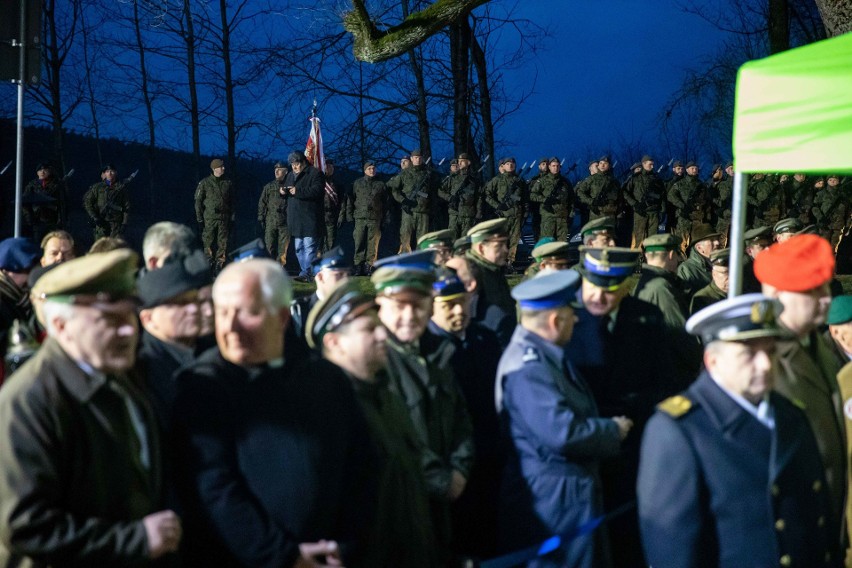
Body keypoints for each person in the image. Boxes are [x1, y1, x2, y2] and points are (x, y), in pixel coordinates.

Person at [172, 258, 376, 567]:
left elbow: (360, 465)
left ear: (281, 317)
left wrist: (345, 546)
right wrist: (286, 557)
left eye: (247, 313)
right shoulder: (202, 388)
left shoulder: (325, 378)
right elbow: (214, 489)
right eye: (222, 313)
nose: (230, 327)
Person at [0, 249, 182, 565]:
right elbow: (25, 526)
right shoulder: (28, 401)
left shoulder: (121, 375)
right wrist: (136, 540)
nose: (128, 330)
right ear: (60, 324)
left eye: (129, 315)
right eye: (109, 319)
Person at [639, 294, 841, 568]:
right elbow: (673, 550)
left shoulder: (790, 415)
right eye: (749, 353)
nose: (765, 364)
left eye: (770, 351)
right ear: (713, 361)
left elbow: (818, 523)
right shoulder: (680, 432)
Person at [497, 270, 633, 568]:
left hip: (563, 492)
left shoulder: (542, 355)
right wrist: (613, 430)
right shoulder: (528, 368)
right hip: (555, 497)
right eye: (572, 315)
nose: (576, 320)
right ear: (555, 321)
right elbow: (561, 432)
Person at [305, 280, 436, 567]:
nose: (382, 334)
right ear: (334, 343)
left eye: (379, 325)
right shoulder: (326, 412)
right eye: (368, 329)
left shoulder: (387, 397)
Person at [371, 251, 474, 561]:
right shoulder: (375, 363)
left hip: (441, 510)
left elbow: (461, 419)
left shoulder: (436, 353)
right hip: (399, 512)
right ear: (380, 305)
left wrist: (460, 467)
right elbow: (392, 440)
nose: (410, 315)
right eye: (400, 306)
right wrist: (444, 481)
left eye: (418, 305)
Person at [754, 234, 847, 534]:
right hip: (790, 525)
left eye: (825, 287)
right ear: (778, 295)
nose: (826, 298)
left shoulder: (816, 343)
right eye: (812, 290)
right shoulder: (760, 356)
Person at [427, 270, 504, 558]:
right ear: (431, 307)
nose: (459, 310)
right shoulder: (428, 350)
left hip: (492, 458)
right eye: (448, 305)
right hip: (454, 470)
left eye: (462, 301)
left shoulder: (484, 337)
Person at [136, 250, 212, 436]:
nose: (193, 309)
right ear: (148, 319)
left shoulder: (210, 350)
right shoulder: (142, 372)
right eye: (179, 303)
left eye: (195, 300)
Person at [465, 219, 516, 347]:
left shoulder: (493, 270)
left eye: (506, 244)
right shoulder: (470, 275)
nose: (506, 250)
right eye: (499, 246)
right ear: (481, 248)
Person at [289, 246, 350, 338]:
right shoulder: (299, 311)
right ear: (320, 277)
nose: (345, 280)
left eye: (348, 275)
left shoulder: (351, 308)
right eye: (339, 274)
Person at [632, 233, 688, 330]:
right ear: (671, 255)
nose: (678, 259)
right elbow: (680, 332)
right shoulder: (662, 287)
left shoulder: (640, 282)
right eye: (677, 254)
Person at [284, 150, 326, 282]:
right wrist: (282, 191)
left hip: (310, 217)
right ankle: (309, 272)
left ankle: (305, 273)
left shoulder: (315, 173)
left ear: (303, 162)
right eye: (292, 164)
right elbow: (287, 189)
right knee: (298, 248)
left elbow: (317, 191)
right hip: (295, 218)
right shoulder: (290, 175)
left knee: (309, 247)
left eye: (296, 164)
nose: (294, 167)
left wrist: (298, 191)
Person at [388, 149, 439, 253]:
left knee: (423, 239)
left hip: (423, 211)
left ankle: (421, 261)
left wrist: (432, 208)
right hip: (408, 211)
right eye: (416, 158)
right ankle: (405, 261)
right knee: (405, 238)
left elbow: (434, 192)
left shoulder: (428, 174)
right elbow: (393, 188)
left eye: (420, 158)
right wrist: (403, 200)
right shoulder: (404, 174)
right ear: (411, 159)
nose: (418, 160)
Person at [483, 157, 527, 269]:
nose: (510, 166)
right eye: (507, 164)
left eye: (512, 163)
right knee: (502, 239)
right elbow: (487, 194)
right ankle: (500, 261)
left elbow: (525, 198)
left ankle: (510, 263)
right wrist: (497, 205)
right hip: (502, 216)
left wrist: (525, 213)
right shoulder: (497, 180)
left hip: (517, 215)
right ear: (503, 166)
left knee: (514, 240)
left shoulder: (520, 181)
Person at [194, 158, 234, 271]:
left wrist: (232, 218)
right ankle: (209, 263)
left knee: (223, 243)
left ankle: (219, 264)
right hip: (209, 219)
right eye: (221, 167)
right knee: (208, 241)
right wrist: (199, 219)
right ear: (214, 169)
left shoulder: (228, 183)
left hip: (223, 218)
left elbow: (232, 202)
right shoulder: (205, 183)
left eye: (223, 166)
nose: (223, 168)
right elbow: (198, 202)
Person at [349, 160, 385, 276]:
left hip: (375, 217)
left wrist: (385, 217)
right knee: (359, 241)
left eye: (373, 168)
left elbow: (386, 202)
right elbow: (351, 200)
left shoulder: (381, 185)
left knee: (373, 243)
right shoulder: (357, 183)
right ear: (365, 170)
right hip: (360, 217)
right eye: (369, 168)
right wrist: (349, 215)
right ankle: (358, 265)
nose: (372, 170)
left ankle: (369, 266)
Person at [624, 155, 666, 248]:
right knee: (639, 238)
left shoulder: (657, 179)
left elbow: (662, 195)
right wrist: (634, 204)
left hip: (654, 212)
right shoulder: (635, 178)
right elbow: (625, 192)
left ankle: (650, 258)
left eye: (653, 164)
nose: (652, 166)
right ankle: (638, 259)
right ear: (643, 164)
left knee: (653, 239)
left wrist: (663, 210)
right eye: (650, 164)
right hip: (640, 212)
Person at [529, 157, 574, 242]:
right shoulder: (542, 181)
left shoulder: (565, 182)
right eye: (553, 166)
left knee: (561, 245)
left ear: (560, 167)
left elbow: (571, 199)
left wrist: (571, 214)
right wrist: (544, 199)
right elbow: (532, 195)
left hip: (562, 218)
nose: (555, 168)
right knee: (547, 244)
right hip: (548, 218)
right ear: (549, 166)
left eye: (557, 166)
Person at [668, 161, 709, 251]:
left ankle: (694, 262)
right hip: (684, 217)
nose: (694, 170)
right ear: (687, 170)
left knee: (697, 242)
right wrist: (682, 205)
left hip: (697, 217)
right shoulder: (680, 183)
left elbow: (707, 200)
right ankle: (681, 262)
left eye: (696, 168)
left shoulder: (702, 185)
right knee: (681, 242)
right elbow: (671, 196)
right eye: (692, 168)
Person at [21, 162, 67, 241]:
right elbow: (24, 202)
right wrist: (29, 218)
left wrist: (61, 219)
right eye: (40, 170)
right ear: (37, 173)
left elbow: (62, 203)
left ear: (50, 171)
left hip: (53, 220)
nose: (42, 172)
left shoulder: (57, 184)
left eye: (45, 169)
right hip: (37, 219)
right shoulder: (32, 185)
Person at [257, 161, 291, 267]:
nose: (276, 172)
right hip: (271, 219)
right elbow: (262, 202)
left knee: (283, 248)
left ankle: (280, 268)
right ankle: (270, 267)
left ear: (286, 172)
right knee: (269, 245)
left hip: (285, 220)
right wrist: (261, 217)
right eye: (275, 170)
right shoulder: (269, 186)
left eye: (280, 170)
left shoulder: (291, 186)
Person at [84, 164, 130, 240]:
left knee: (114, 248)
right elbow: (87, 202)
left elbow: (126, 207)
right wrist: (94, 217)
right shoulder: (97, 187)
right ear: (104, 174)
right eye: (107, 171)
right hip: (101, 222)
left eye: (112, 171)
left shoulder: (121, 189)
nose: (110, 173)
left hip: (115, 224)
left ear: (116, 173)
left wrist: (124, 223)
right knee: (100, 247)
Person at [677, 223, 721, 299]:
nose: (717, 243)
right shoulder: (686, 270)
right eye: (712, 240)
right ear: (699, 248)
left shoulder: (722, 264)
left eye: (717, 239)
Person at [445, 153, 481, 239]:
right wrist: (449, 198)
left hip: (468, 214)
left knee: (465, 241)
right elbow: (440, 190)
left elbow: (479, 197)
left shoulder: (474, 181)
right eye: (459, 161)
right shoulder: (452, 178)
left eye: (462, 161)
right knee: (452, 239)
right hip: (454, 214)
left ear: (468, 163)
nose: (459, 163)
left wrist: (479, 212)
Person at [690, 248, 730, 315]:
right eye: (725, 272)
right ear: (714, 274)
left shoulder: (743, 292)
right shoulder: (702, 298)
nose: (731, 277)